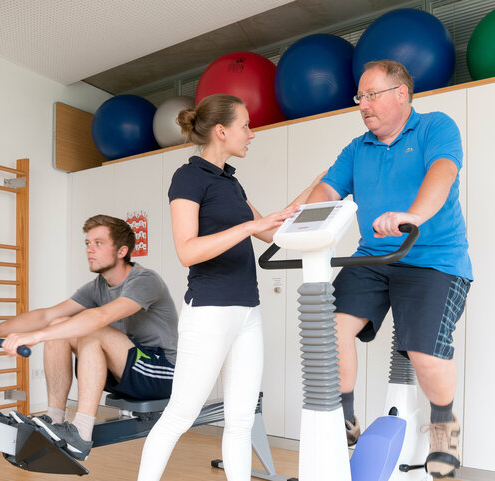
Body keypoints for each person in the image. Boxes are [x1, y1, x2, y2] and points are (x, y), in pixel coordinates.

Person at [136, 94, 323, 481]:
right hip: (209, 312)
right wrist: (248, 227)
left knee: (240, 421)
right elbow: (187, 251)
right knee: (180, 416)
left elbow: (272, 231)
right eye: (245, 125)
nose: (251, 134)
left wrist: (320, 184)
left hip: (247, 313)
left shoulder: (231, 182)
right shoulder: (188, 177)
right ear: (221, 131)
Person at [306, 59, 472, 478]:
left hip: (434, 259)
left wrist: (411, 215)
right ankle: (345, 419)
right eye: (359, 97)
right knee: (331, 325)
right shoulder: (357, 148)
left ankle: (442, 429)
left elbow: (443, 172)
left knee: (424, 352)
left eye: (371, 95)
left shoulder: (436, 127)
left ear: (401, 94)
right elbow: (328, 187)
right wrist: (301, 213)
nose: (363, 105)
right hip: (374, 257)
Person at [0, 214, 178, 461]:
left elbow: (100, 317)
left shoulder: (145, 280)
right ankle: (55, 420)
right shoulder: (97, 286)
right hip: (128, 369)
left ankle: (81, 434)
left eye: (98, 243)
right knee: (60, 325)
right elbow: (46, 316)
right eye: (87, 243)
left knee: (88, 328)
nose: (89, 249)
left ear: (122, 251)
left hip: (161, 372)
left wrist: (36, 337)